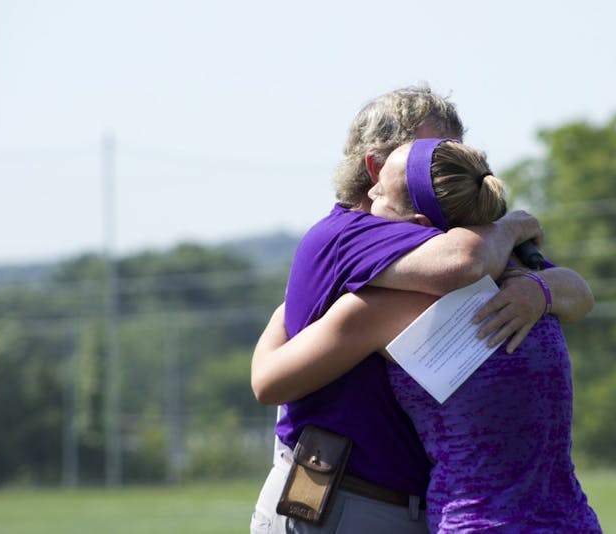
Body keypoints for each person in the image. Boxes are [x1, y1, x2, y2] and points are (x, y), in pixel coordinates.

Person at [249, 85, 593, 534]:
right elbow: (462, 262)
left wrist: (539, 288)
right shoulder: (356, 234)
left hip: (434, 507)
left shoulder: (486, 253)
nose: (452, 169)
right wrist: (512, 224)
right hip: (346, 498)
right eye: (431, 156)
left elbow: (577, 292)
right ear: (375, 169)